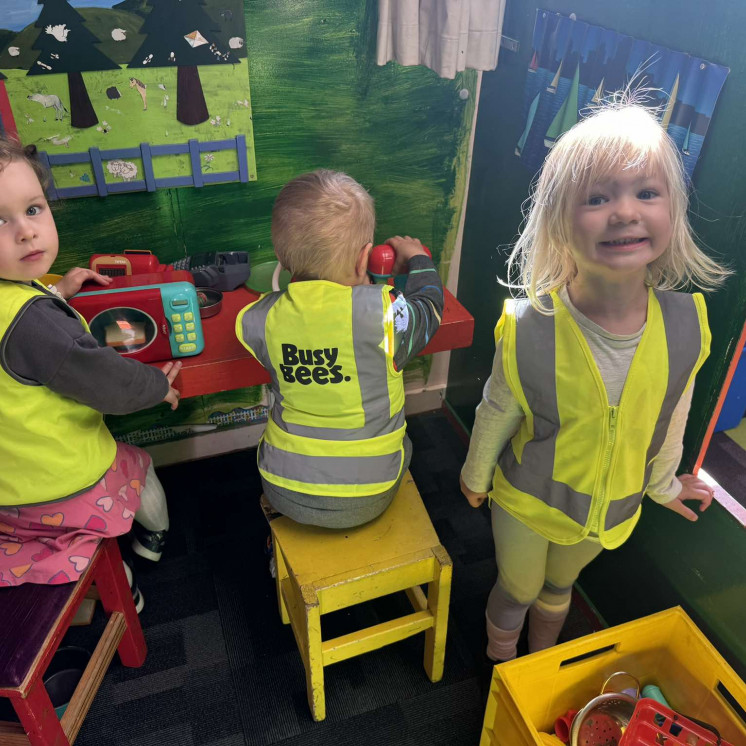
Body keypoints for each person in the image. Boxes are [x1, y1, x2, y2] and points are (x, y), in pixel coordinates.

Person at [459, 101, 730, 661]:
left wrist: (664, 486)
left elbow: (668, 421)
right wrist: (475, 473)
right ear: (560, 221)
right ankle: (501, 666)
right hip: (528, 502)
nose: (625, 212)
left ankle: (540, 664)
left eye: (646, 193)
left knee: (560, 588)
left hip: (609, 513)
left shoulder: (686, 325)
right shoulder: (529, 326)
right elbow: (497, 408)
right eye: (598, 197)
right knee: (520, 588)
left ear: (672, 210)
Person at [0, 138, 180, 602]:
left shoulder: (18, 304)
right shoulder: (33, 323)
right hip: (60, 488)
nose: (25, 232)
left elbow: (18, 347)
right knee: (138, 467)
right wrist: (158, 385)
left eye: (33, 210)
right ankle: (138, 559)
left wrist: (56, 291)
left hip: (10, 491)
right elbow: (111, 386)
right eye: (0, 221)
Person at [236, 169, 444, 528]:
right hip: (371, 493)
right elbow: (429, 308)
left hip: (282, 488)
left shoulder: (259, 320)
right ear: (366, 258)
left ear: (282, 260)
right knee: (406, 444)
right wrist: (417, 260)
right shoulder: (384, 314)